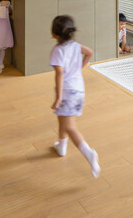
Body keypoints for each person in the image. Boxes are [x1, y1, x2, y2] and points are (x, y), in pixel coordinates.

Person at [49, 15, 100, 178]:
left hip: (67, 92)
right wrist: (79, 67)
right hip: (79, 90)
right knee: (63, 118)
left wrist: (58, 97)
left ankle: (89, 154)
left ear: (54, 33)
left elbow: (59, 74)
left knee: (70, 126)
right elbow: (90, 52)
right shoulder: (76, 46)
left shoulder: (57, 51)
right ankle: (62, 146)